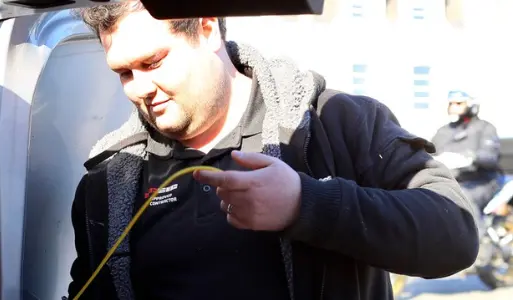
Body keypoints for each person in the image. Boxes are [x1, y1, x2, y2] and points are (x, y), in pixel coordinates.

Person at [67, 2, 478, 299]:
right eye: (123, 72)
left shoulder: (333, 121)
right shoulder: (109, 176)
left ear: (207, 27)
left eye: (153, 63)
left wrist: (307, 204)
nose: (139, 88)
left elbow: (455, 236)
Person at [432, 90, 501, 211]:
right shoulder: (443, 132)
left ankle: (477, 230)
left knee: (463, 198)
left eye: (458, 103)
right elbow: (431, 154)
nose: (453, 107)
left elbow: (491, 157)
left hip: (481, 181)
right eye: (451, 104)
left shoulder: (485, 128)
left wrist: (470, 157)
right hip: (451, 182)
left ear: (471, 105)